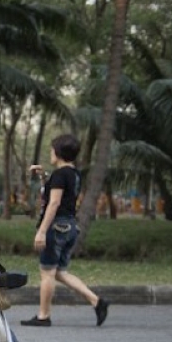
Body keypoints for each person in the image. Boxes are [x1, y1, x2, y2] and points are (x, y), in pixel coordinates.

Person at [22, 134, 109, 328]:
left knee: (46, 273)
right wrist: (45, 176)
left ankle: (43, 316)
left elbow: (54, 203)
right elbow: (59, 192)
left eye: (52, 149)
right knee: (59, 272)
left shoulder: (60, 175)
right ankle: (97, 301)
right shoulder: (73, 174)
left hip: (56, 227)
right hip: (70, 226)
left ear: (58, 152)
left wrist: (42, 231)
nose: (51, 152)